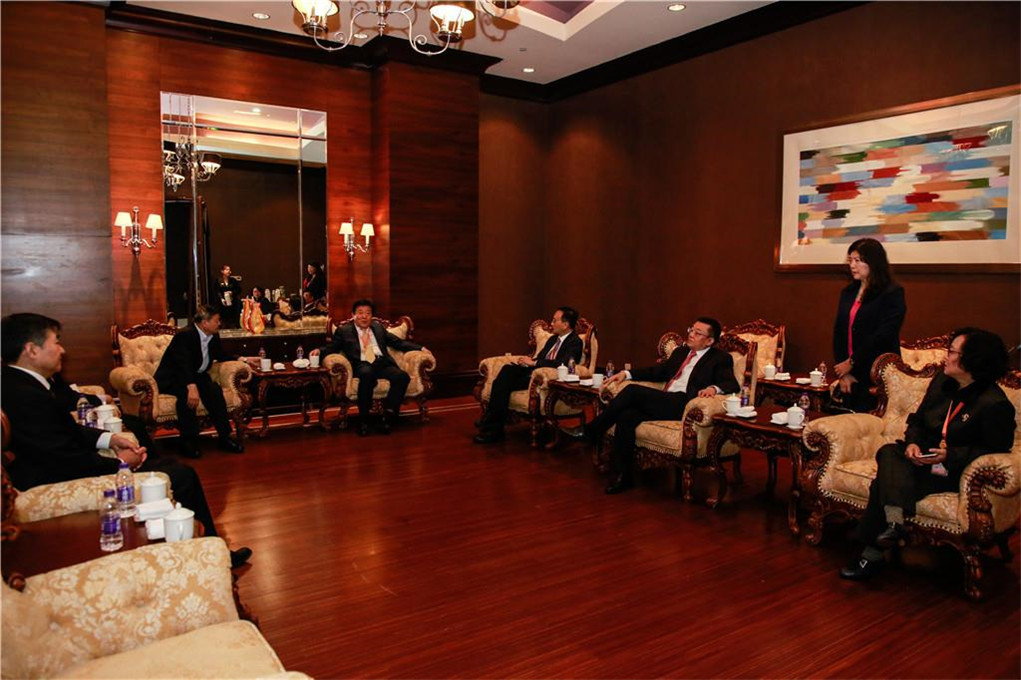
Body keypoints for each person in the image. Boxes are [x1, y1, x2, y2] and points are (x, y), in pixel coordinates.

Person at [0, 313, 252, 568]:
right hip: (60, 482)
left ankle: (191, 545)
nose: (62, 350)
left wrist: (109, 439)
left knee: (163, 459)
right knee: (183, 476)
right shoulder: (27, 396)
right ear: (32, 350)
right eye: (56, 342)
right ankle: (212, 557)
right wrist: (120, 462)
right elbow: (63, 461)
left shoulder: (19, 384)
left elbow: (67, 432)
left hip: (65, 466)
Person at [840, 327, 1015, 581]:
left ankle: (876, 548)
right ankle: (891, 528)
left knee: (884, 483)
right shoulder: (942, 382)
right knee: (889, 452)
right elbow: (918, 420)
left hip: (953, 472)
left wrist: (950, 456)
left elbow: (996, 451)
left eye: (952, 352)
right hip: (921, 459)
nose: (946, 357)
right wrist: (912, 444)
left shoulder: (994, 404)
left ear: (972, 361)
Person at [585, 318, 741, 494]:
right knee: (626, 416)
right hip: (665, 400)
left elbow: (732, 384)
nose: (691, 334)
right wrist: (626, 373)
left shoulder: (720, 358)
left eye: (698, 333)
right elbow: (657, 371)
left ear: (710, 341)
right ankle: (624, 476)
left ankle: (593, 430)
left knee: (632, 391)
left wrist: (714, 388)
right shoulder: (681, 352)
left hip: (684, 404)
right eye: (691, 330)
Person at [311, 299, 427, 437]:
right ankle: (364, 420)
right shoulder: (344, 331)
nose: (364, 316)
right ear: (353, 315)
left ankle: (387, 414)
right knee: (367, 374)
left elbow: (397, 342)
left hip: (381, 363)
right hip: (362, 364)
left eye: (368, 313)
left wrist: (420, 348)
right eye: (360, 313)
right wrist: (319, 351)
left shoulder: (378, 328)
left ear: (371, 316)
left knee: (402, 377)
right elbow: (332, 347)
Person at [474, 307, 583, 445]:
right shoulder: (553, 339)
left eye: (555, 320)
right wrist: (528, 362)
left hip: (544, 378)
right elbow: (541, 357)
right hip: (533, 372)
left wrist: (534, 363)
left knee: (502, 383)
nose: (551, 323)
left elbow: (564, 362)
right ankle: (492, 424)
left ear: (565, 324)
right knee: (506, 373)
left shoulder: (575, 342)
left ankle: (491, 427)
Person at [154, 304, 245, 458]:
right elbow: (182, 364)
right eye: (216, 321)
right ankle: (188, 441)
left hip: (196, 375)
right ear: (205, 323)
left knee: (214, 391)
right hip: (173, 377)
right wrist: (191, 386)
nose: (219, 323)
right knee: (187, 397)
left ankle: (224, 437)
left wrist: (242, 359)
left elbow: (220, 354)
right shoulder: (184, 335)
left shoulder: (213, 335)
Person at [832, 238, 906, 412]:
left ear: (873, 262)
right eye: (850, 260)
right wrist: (844, 372)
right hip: (848, 373)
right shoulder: (848, 292)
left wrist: (852, 362)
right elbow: (839, 333)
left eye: (858, 260)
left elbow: (883, 335)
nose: (852, 265)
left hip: (876, 371)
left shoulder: (892, 293)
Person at [214, 264, 242, 328]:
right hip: (222, 303)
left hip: (232, 303)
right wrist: (221, 298)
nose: (228, 271)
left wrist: (232, 292)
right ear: (222, 271)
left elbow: (239, 290)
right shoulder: (218, 280)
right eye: (227, 270)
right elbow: (217, 291)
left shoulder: (233, 280)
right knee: (223, 319)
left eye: (229, 270)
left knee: (232, 320)